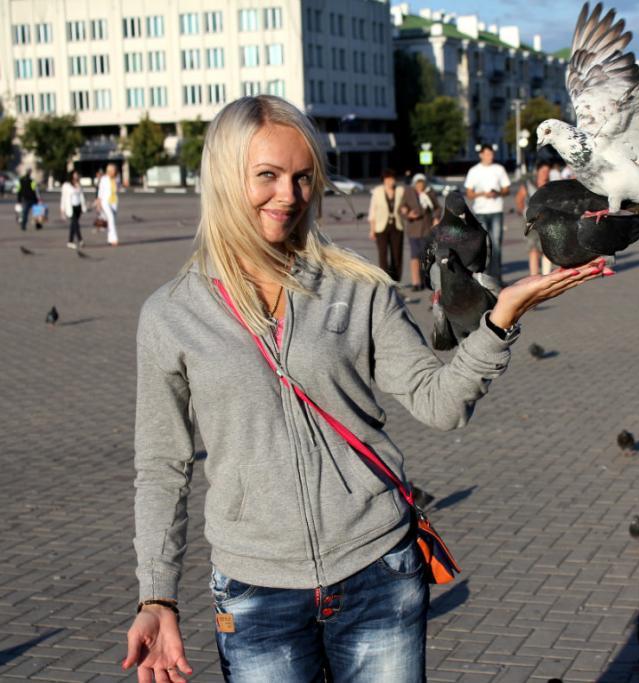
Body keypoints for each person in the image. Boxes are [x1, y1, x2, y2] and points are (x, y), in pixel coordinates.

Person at [121, 94, 608, 683]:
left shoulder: (357, 287)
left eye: (303, 178)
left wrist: (499, 321)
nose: (289, 195)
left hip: (378, 569)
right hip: (256, 593)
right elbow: (162, 466)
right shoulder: (172, 314)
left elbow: (439, 402)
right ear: (225, 180)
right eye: (267, 176)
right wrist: (157, 598)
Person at [465, 144, 510, 282]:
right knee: (484, 244)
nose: (490, 156)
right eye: (487, 154)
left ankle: (496, 275)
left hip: (496, 210)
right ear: (481, 155)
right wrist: (483, 193)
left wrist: (497, 192)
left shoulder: (499, 169)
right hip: (480, 211)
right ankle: (485, 274)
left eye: (491, 154)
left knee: (496, 242)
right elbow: (469, 193)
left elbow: (506, 189)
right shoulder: (474, 171)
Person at [399, 173, 439, 291]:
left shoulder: (429, 193)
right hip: (413, 229)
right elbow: (401, 208)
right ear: (414, 183)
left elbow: (438, 208)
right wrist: (407, 214)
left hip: (427, 229)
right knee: (414, 255)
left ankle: (427, 280)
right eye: (418, 183)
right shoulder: (408, 192)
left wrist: (436, 217)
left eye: (422, 183)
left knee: (426, 256)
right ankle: (416, 282)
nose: (420, 185)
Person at [368, 168, 405, 281]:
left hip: (397, 226)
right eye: (387, 179)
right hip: (381, 227)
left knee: (397, 255)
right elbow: (372, 211)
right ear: (383, 180)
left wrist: (405, 210)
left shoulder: (400, 191)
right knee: (383, 255)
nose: (390, 181)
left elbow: (405, 205)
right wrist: (372, 229)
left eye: (392, 179)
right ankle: (385, 280)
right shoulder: (377, 192)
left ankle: (396, 280)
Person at [60, 170, 87, 248]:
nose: (76, 176)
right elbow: (63, 198)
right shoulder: (66, 185)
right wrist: (62, 210)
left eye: (77, 175)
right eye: (74, 175)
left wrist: (83, 207)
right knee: (76, 224)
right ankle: (80, 239)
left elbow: (81, 196)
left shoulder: (79, 185)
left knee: (73, 225)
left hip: (78, 207)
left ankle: (70, 241)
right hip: (70, 207)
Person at [97, 163, 119, 245]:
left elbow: (117, 189)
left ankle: (110, 239)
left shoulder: (117, 179)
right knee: (111, 218)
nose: (111, 171)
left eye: (113, 170)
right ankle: (114, 239)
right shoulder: (104, 179)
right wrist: (99, 203)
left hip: (114, 201)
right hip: (105, 201)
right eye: (110, 170)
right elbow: (100, 191)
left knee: (111, 220)